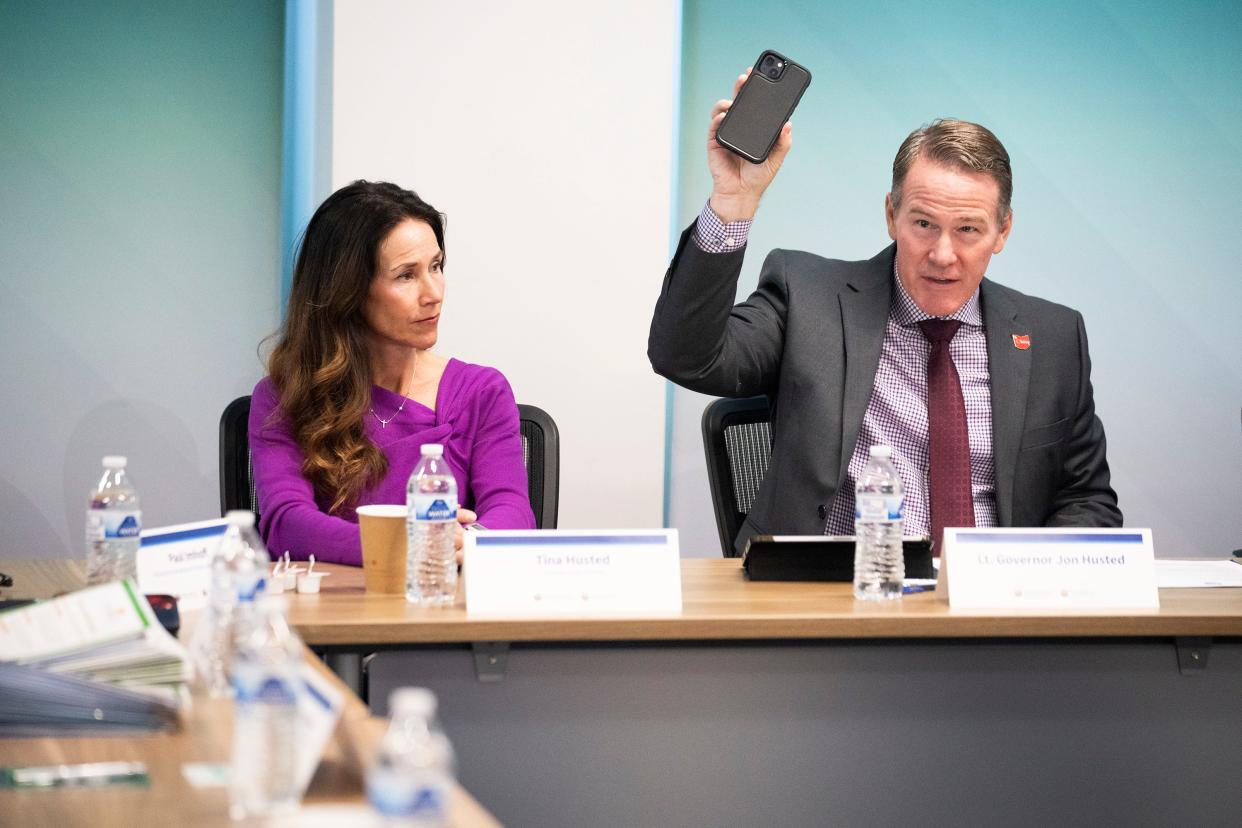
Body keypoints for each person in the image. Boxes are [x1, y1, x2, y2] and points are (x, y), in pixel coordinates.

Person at [649, 71, 1122, 555]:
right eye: (923, 223)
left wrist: (1032, 578)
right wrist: (734, 200)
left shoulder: (1053, 337)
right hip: (832, 598)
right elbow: (686, 357)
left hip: (992, 606)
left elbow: (1086, 497)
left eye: (968, 230)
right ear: (890, 215)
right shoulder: (810, 297)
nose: (942, 254)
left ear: (1002, 232)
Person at [250, 180, 534, 565]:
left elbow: (512, 511)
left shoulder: (482, 391)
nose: (434, 293)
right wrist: (409, 543)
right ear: (347, 290)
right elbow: (287, 524)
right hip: (334, 613)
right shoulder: (286, 395)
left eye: (436, 266)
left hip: (440, 605)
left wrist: (468, 541)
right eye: (406, 275)